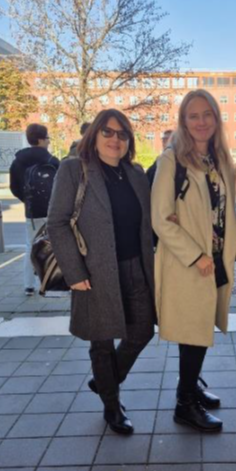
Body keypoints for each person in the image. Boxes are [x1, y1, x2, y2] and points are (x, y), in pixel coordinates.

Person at [47, 109, 156, 435]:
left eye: (122, 134)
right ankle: (112, 405)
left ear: (128, 141)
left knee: (142, 332)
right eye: (107, 132)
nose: (114, 139)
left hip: (136, 267)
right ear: (94, 135)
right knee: (102, 342)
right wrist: (74, 271)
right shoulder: (73, 170)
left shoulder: (135, 174)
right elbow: (56, 223)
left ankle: (106, 379)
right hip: (93, 272)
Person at [152, 89, 236, 432]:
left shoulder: (219, 160)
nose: (201, 122)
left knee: (199, 330)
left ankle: (189, 389)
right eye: (193, 116)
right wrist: (196, 255)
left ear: (216, 119)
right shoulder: (171, 161)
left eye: (207, 114)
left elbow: (224, 210)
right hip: (189, 263)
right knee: (194, 332)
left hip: (214, 259)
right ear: (183, 122)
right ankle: (184, 404)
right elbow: (160, 218)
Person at [9, 123, 60, 296]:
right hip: (54, 210)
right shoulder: (52, 162)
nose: (48, 142)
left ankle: (29, 286)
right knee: (59, 246)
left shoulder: (17, 162)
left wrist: (27, 200)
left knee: (31, 246)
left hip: (32, 213)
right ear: (40, 139)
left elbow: (14, 187)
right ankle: (55, 281)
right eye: (47, 138)